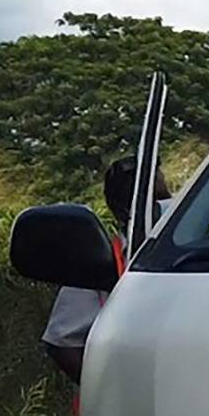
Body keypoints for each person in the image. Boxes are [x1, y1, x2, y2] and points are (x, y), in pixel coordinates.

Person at [42, 157, 168, 386]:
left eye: (165, 199)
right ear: (121, 210)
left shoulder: (196, 251)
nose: (163, 208)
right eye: (153, 201)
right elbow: (62, 343)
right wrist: (107, 393)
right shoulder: (103, 262)